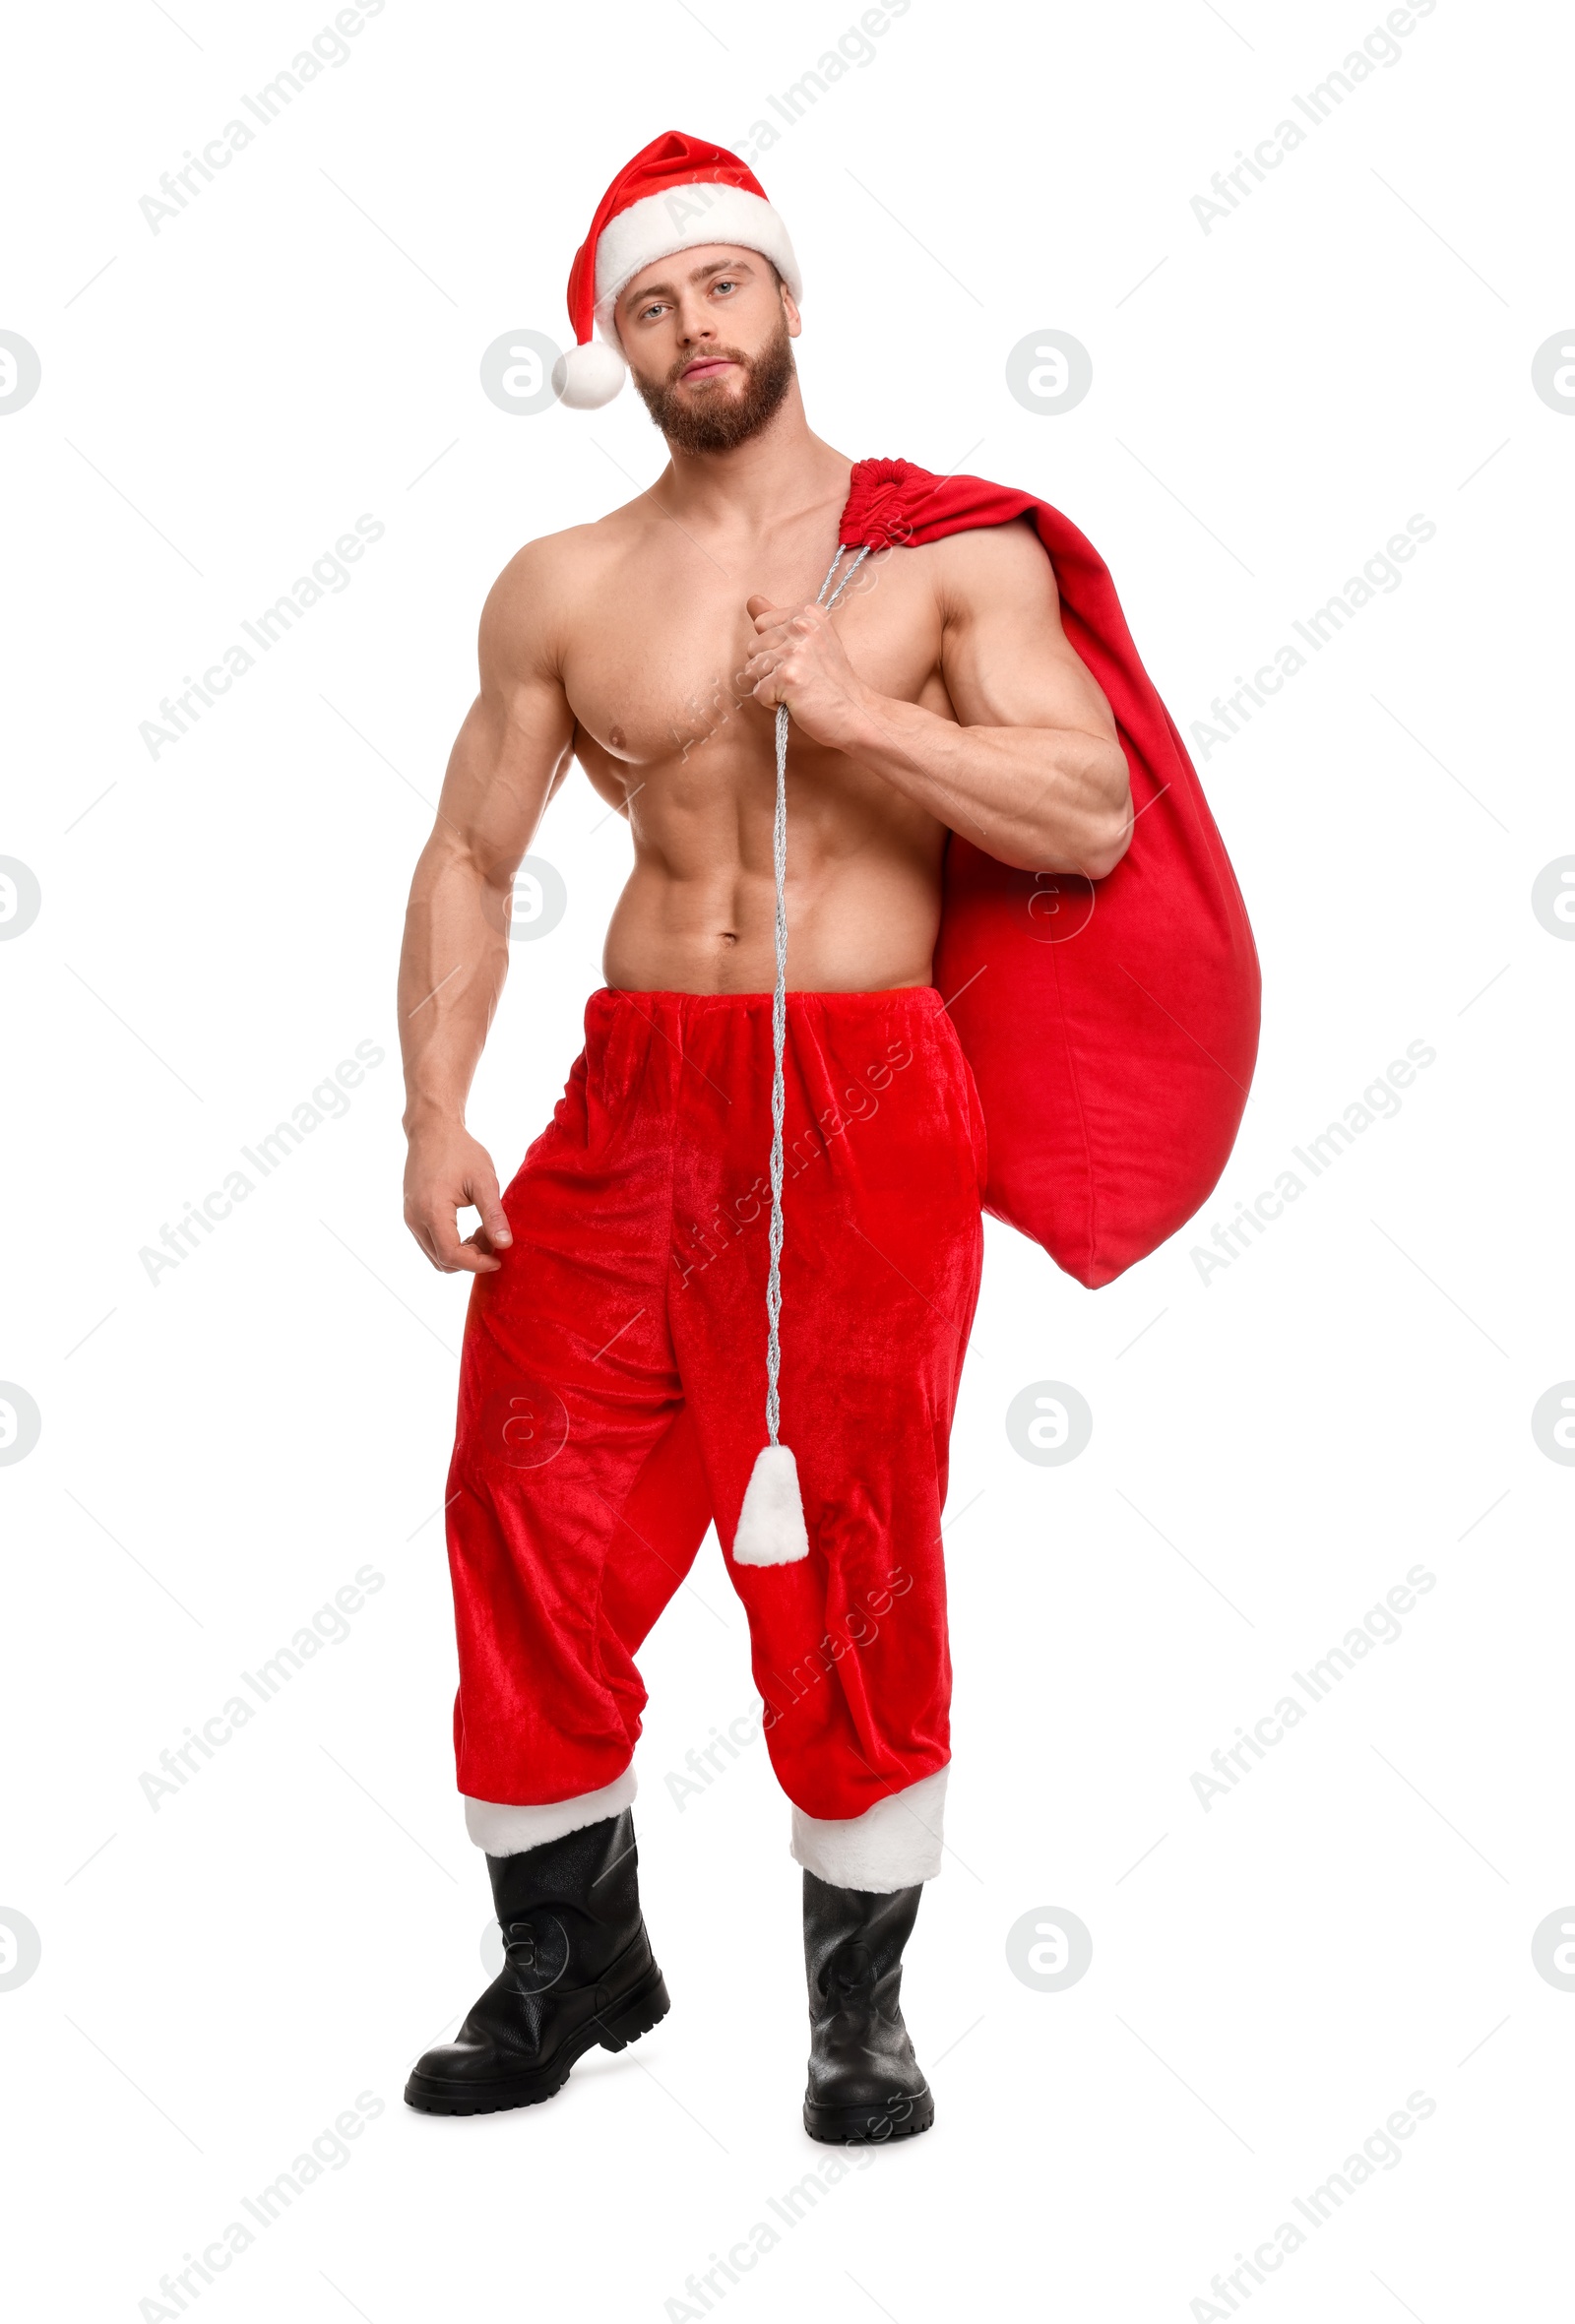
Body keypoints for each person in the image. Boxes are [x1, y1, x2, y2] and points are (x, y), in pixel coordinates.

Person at [396, 131, 1131, 2140]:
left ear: (787, 302)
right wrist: (434, 1107)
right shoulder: (564, 583)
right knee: (522, 1491)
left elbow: (1083, 812)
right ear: (617, 348)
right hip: (632, 1088)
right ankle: (575, 1954)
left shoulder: (945, 561)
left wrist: (856, 711)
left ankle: (856, 2006)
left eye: (720, 284)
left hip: (863, 1093)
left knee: (853, 1541)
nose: (692, 324)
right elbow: (472, 851)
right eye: (650, 302)